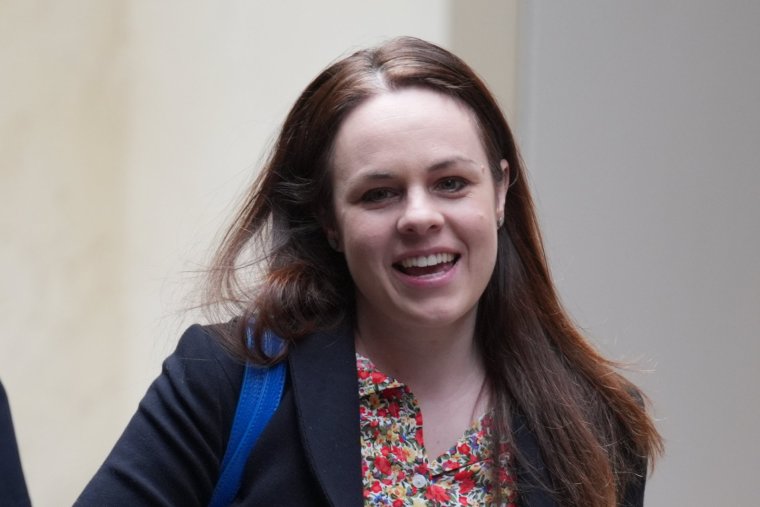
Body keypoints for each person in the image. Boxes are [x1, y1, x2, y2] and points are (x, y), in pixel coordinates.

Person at [77, 37, 662, 506]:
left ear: (501, 191)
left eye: (451, 183)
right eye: (379, 194)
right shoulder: (225, 381)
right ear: (330, 220)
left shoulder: (597, 424)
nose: (420, 217)